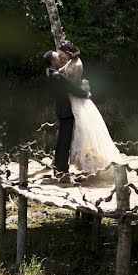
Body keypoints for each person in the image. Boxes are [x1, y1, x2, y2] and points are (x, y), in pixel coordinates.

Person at [56, 42, 123, 174]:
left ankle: (92, 163)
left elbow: (72, 84)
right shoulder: (70, 61)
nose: (60, 55)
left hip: (77, 99)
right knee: (78, 130)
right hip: (71, 98)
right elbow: (61, 72)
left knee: (85, 130)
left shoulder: (78, 64)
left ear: (67, 52)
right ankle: (82, 162)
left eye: (62, 52)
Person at [42, 49, 90, 181]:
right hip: (66, 110)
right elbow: (71, 88)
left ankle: (59, 168)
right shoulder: (56, 76)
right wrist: (86, 94)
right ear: (52, 61)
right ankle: (62, 170)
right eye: (58, 57)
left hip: (62, 110)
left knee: (62, 140)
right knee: (64, 141)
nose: (60, 59)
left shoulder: (52, 74)